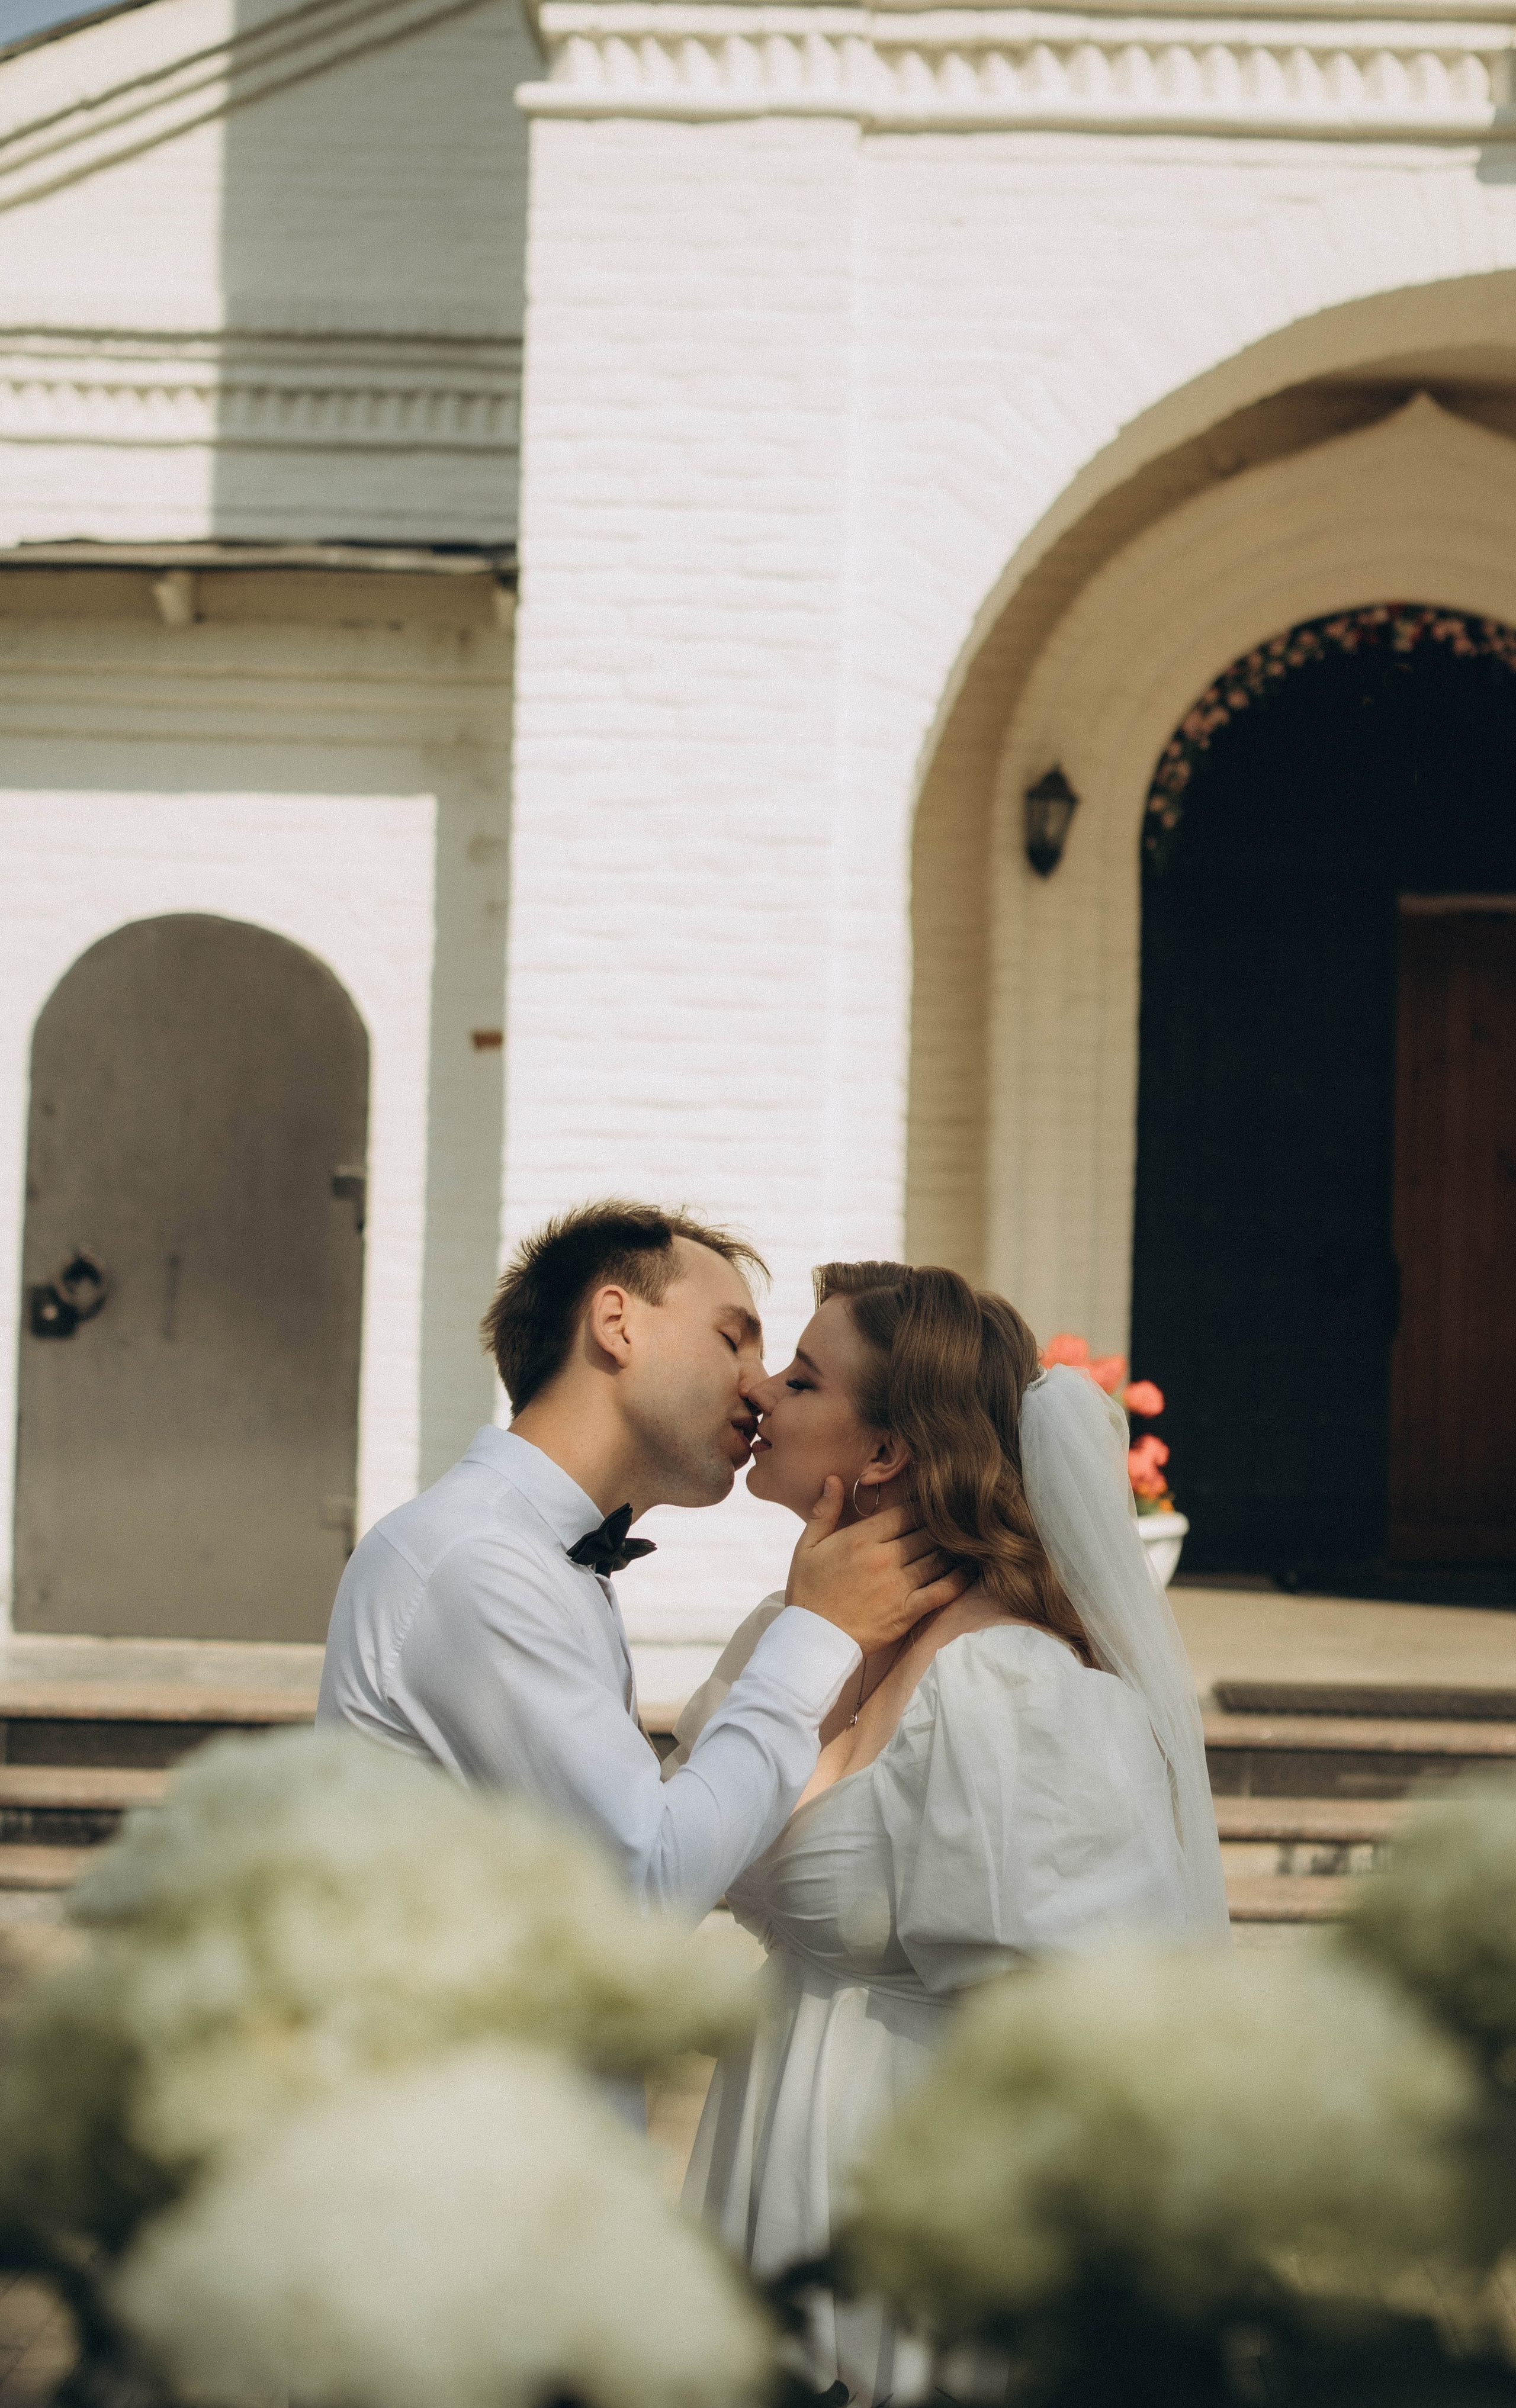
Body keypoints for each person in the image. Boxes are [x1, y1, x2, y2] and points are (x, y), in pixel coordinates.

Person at [675, 1261, 1231, 2404]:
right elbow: (679, 1842)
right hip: (762, 2139)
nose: (762, 1395)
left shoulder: (1014, 1687)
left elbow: (1092, 2026)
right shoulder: (783, 1635)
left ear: (884, 1450)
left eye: (804, 1377)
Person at [317, 1204, 969, 1918]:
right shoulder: (476, 1561)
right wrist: (816, 1633)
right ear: (616, 1323)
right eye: (732, 1339)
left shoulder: (536, 1553)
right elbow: (644, 1888)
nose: (759, 1387)